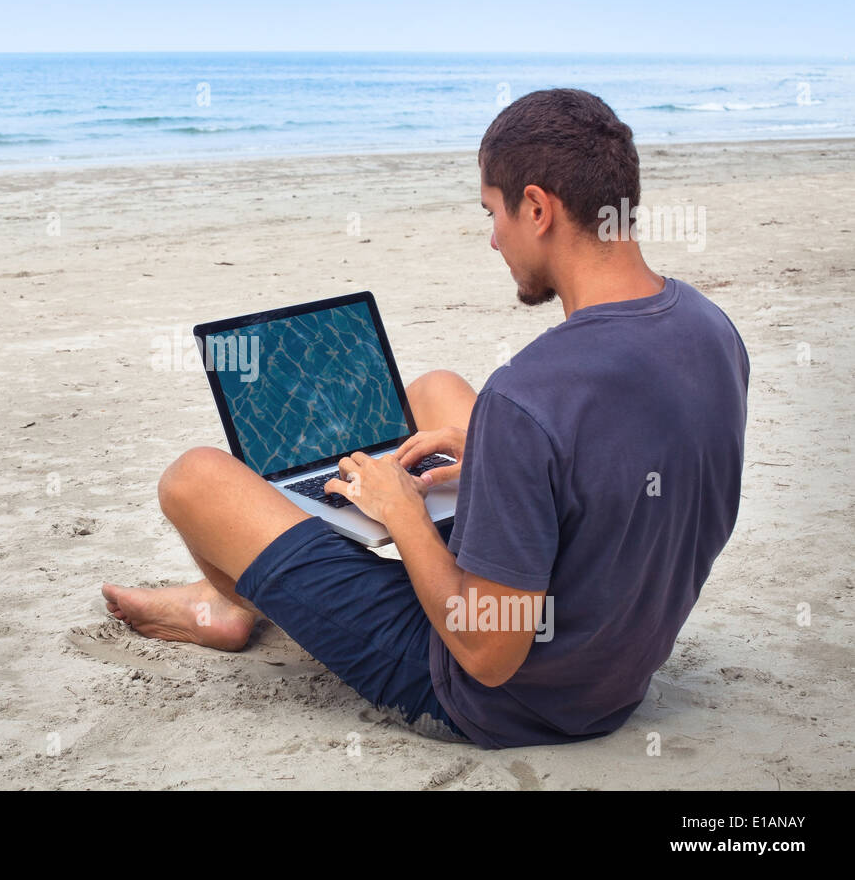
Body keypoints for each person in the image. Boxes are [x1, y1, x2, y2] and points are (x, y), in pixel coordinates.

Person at [101, 88, 750, 748]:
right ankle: (253, 580)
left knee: (196, 477)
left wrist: (403, 511)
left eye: (493, 213)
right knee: (436, 390)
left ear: (536, 207)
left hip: (492, 692)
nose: (493, 239)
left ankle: (228, 607)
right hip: (613, 667)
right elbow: (633, 460)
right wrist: (506, 464)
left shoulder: (528, 395)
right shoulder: (710, 330)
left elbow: (488, 655)